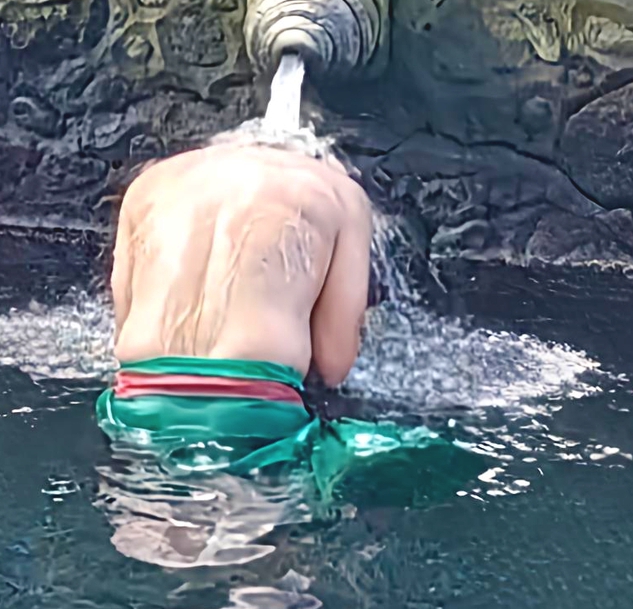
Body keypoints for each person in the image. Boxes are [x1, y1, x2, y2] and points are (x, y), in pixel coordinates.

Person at [97, 136, 441, 503]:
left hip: (136, 408)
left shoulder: (149, 185)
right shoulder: (341, 194)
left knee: (157, 531)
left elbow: (124, 324)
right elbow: (334, 363)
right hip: (254, 413)